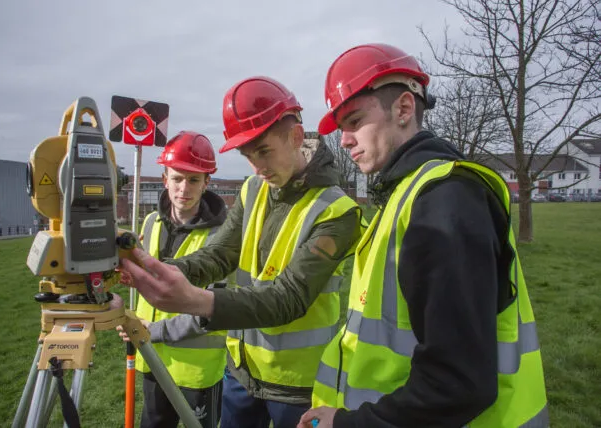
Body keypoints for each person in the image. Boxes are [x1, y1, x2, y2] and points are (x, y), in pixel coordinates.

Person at [296, 43, 549, 428]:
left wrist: (346, 424)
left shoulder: (444, 199)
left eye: (354, 121)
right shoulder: (404, 193)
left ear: (403, 109)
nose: (344, 140)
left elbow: (457, 383)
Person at [120, 76, 362, 428]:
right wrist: (154, 268)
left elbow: (288, 299)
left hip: (297, 383)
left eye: (264, 151)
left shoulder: (337, 211)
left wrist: (197, 301)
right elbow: (219, 256)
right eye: (248, 156)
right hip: (241, 372)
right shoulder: (254, 188)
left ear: (296, 137)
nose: (257, 167)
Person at [118, 131, 228, 428]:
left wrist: (156, 331)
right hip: (151, 357)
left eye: (194, 180)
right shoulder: (151, 222)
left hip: (196, 370)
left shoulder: (222, 237)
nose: (184, 188)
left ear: (207, 182)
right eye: (177, 178)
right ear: (164, 178)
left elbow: (217, 309)